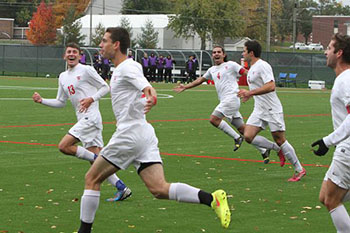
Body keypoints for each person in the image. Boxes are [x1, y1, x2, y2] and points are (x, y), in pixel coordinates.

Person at [77, 27, 231, 233]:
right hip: (143, 134)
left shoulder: (126, 68)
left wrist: (151, 94)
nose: (101, 45)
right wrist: (148, 93)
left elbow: (145, 86)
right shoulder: (127, 66)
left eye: (104, 41)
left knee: (92, 178)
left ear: (116, 45)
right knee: (159, 189)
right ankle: (212, 199)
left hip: (129, 135)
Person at [32, 42, 132, 202]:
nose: (71, 54)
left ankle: (96, 159)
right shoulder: (63, 77)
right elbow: (60, 102)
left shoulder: (86, 70)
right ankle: (122, 187)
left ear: (79, 56)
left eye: (74, 52)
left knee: (64, 146)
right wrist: (41, 100)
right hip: (84, 119)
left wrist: (91, 99)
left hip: (90, 118)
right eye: (68, 52)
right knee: (97, 161)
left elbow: (105, 87)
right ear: (64, 56)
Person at [174, 45, 270, 162]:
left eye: (219, 52)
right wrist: (186, 87)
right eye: (214, 52)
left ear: (223, 54)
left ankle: (236, 138)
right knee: (244, 130)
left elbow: (248, 73)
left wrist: (258, 85)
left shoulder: (231, 65)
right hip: (226, 101)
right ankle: (263, 149)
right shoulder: (212, 70)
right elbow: (200, 80)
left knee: (214, 119)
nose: (216, 54)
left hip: (231, 99)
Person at [238, 40, 306, 181]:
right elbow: (257, 89)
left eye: (244, 51)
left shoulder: (263, 66)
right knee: (248, 136)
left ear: (251, 52)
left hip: (272, 108)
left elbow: (271, 86)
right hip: (259, 109)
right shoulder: (252, 69)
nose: (242, 53)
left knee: (280, 139)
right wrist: (248, 95)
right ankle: (276, 148)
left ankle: (299, 169)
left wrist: (250, 93)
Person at [311, 33, 350, 232]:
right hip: (344, 148)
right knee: (324, 195)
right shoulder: (343, 79)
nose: (326, 52)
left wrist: (328, 141)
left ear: (339, 53)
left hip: (347, 150)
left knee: (331, 200)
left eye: (329, 48)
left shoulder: (346, 80)